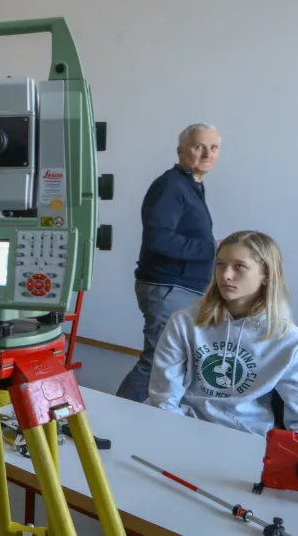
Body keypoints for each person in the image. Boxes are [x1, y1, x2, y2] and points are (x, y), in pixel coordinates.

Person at [147, 231, 298, 436]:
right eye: (220, 264)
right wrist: (178, 434)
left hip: (248, 437)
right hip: (185, 425)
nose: (226, 275)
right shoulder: (184, 322)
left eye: (239, 266)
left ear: (266, 275)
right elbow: (164, 397)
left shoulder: (289, 340)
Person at [116, 123, 221, 403]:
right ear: (181, 150)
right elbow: (159, 240)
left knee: (171, 360)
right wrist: (211, 248)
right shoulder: (170, 186)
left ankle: (152, 420)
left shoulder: (192, 185)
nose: (207, 153)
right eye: (199, 146)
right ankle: (112, 419)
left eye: (214, 147)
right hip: (167, 287)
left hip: (180, 287)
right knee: (155, 362)